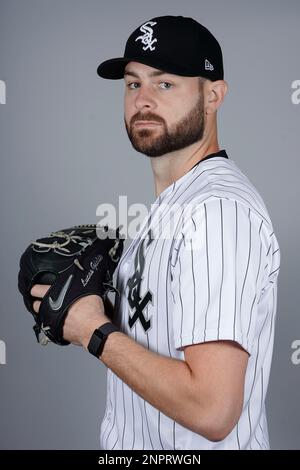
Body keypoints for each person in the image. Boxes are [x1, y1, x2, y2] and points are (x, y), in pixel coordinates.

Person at [31, 15, 281, 450]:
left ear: (213, 95)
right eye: (133, 84)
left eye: (165, 84)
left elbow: (212, 409)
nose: (143, 100)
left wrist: (92, 329)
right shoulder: (171, 209)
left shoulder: (217, 212)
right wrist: (107, 308)